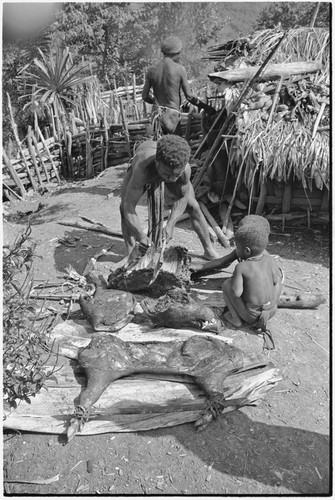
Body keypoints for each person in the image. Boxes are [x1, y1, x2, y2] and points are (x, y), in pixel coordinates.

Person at [120, 134, 220, 262]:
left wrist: (171, 224)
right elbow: (129, 206)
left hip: (165, 165)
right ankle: (130, 251)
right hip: (145, 162)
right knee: (123, 207)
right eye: (167, 174)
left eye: (176, 175)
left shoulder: (184, 170)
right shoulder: (142, 167)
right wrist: (140, 236)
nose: (172, 179)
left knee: (194, 206)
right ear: (157, 163)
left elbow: (182, 197)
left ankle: (209, 250)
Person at [142, 35, 215, 136]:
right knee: (175, 146)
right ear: (176, 53)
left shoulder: (151, 70)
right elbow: (189, 97)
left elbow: (145, 96)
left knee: (157, 146)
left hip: (156, 116)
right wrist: (206, 107)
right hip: (172, 116)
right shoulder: (179, 69)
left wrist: (156, 103)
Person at [221, 222, 283, 332]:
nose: (236, 250)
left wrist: (235, 279)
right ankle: (271, 304)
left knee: (226, 285)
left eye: (237, 247)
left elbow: (236, 293)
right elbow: (275, 280)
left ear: (247, 251)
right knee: (278, 281)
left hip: (252, 316)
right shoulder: (269, 259)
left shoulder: (241, 267)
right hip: (271, 312)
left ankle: (236, 319)